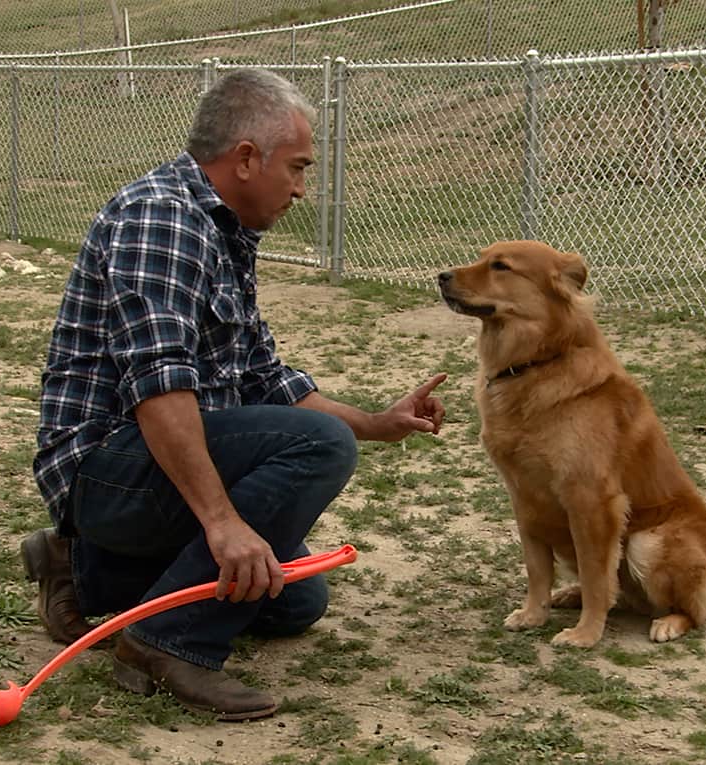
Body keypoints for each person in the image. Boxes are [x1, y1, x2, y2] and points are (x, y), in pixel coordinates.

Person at [24, 68, 447, 722]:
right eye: (298, 167)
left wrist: (377, 422)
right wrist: (222, 523)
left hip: (155, 471)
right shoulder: (161, 218)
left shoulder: (224, 232)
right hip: (107, 471)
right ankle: (166, 642)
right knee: (320, 450)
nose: (302, 189)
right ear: (247, 158)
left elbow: (266, 382)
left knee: (297, 600)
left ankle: (84, 569)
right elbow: (159, 389)